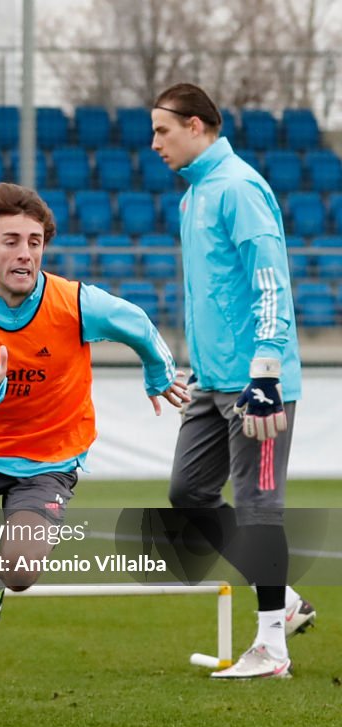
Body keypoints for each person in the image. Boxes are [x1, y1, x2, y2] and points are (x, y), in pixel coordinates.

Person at [0, 182, 190, 713]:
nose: (24, 253)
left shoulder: (75, 302)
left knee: (21, 569)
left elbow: (139, 324)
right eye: (10, 241)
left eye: (34, 241)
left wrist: (157, 373)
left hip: (48, 461)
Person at [151, 83, 314, 680]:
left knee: (257, 509)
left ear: (196, 125)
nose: (154, 144)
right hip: (212, 381)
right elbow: (213, 294)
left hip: (257, 385)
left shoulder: (239, 188)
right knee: (188, 496)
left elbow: (271, 282)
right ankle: (287, 601)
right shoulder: (194, 196)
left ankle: (272, 647)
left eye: (162, 131)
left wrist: (266, 372)